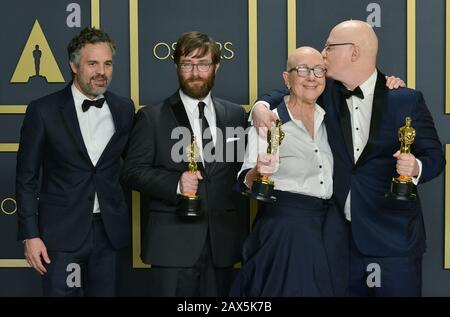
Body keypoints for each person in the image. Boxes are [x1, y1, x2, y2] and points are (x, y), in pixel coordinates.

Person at [252, 20, 445, 296]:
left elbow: (435, 156)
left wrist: (415, 167)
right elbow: (285, 91)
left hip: (394, 240)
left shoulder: (405, 99)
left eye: (329, 46)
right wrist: (260, 106)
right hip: (336, 242)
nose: (323, 53)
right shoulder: (322, 91)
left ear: (354, 52)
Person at [120, 31, 248, 297]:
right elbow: (132, 172)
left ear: (216, 66)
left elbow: (241, 172)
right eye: (187, 64)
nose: (195, 72)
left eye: (203, 64)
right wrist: (176, 184)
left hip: (222, 246)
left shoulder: (235, 115)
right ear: (177, 66)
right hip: (172, 246)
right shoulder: (151, 117)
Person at [16, 27, 135, 296]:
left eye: (107, 63)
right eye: (92, 63)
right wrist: (30, 235)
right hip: (60, 234)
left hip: (110, 233)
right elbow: (26, 178)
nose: (101, 71)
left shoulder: (124, 108)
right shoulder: (43, 111)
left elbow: (136, 164)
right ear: (73, 65)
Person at [230, 47, 342, 296]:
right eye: (302, 70)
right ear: (286, 77)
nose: (311, 77)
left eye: (318, 70)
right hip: (284, 230)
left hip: (328, 229)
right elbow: (244, 179)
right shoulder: (268, 120)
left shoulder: (331, 116)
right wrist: (257, 172)